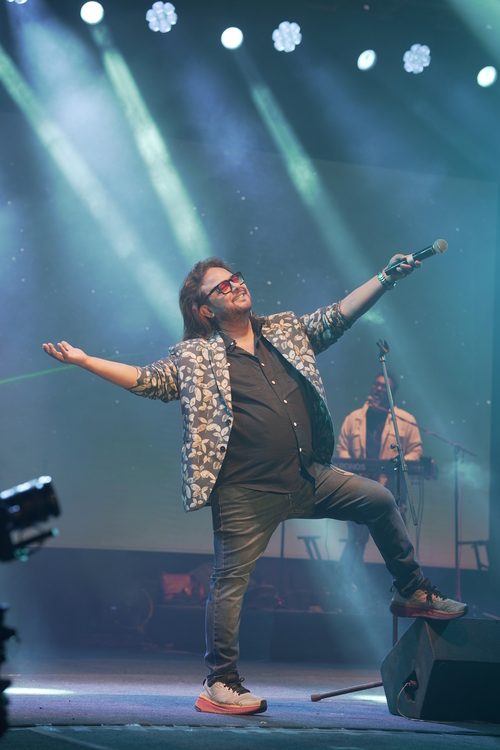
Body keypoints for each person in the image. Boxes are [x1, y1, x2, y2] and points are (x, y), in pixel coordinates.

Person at [42, 253, 467, 716]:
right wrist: (85, 360)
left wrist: (384, 278)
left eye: (235, 279)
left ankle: (411, 588)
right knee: (230, 583)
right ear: (204, 309)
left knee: (379, 499)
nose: (235, 286)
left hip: (308, 477)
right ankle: (220, 682)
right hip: (245, 490)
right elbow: (149, 381)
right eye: (221, 287)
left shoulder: (283, 331)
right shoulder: (197, 355)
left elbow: (337, 316)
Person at [336, 374, 423, 600]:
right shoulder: (354, 418)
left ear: (392, 393)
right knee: (355, 542)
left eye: (384, 387)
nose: (378, 389)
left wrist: (398, 463)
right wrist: (353, 468)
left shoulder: (405, 420)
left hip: (390, 494)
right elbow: (342, 448)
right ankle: (345, 590)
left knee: (396, 545)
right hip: (359, 492)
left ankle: (405, 592)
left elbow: (415, 450)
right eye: (376, 384)